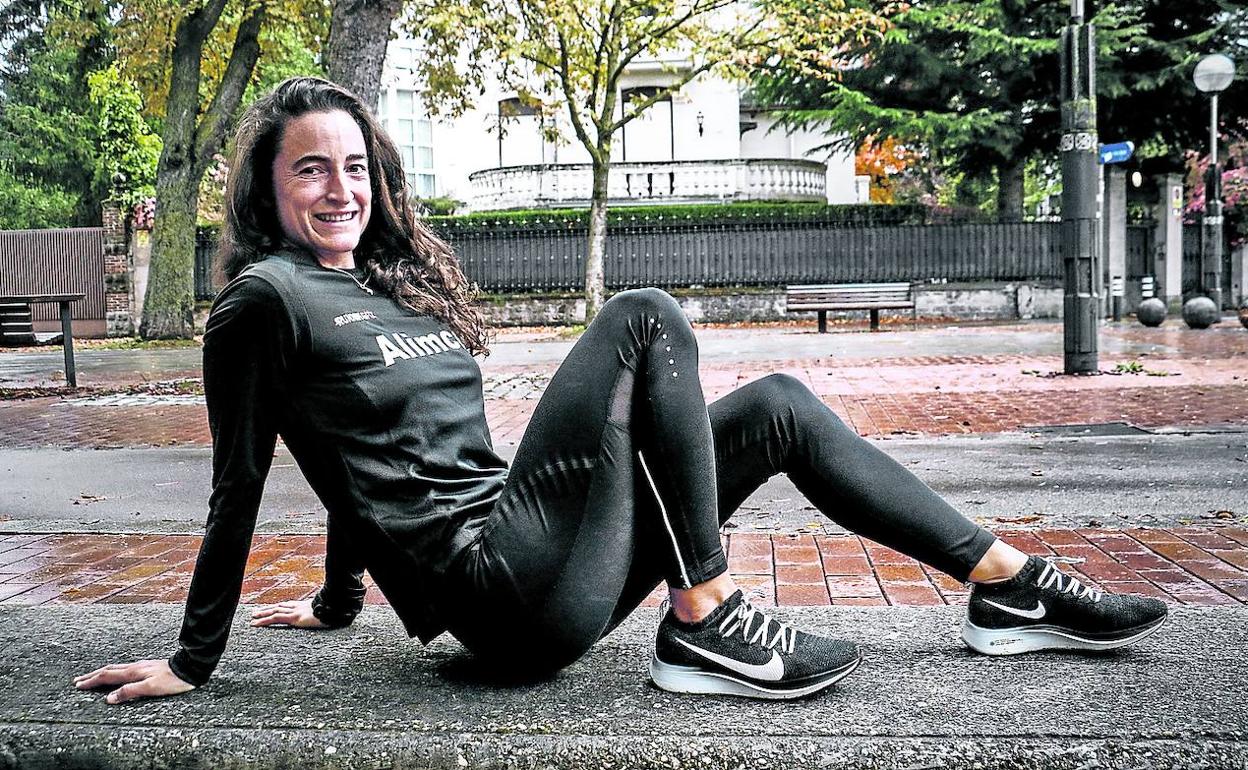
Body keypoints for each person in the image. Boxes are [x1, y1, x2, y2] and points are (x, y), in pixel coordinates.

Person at [73, 77, 1167, 705]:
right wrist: (192, 657)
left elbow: (361, 456)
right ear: (269, 184)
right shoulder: (261, 301)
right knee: (643, 313)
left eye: (355, 165)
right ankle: (707, 613)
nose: (340, 187)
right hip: (499, 587)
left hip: (546, 563)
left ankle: (1010, 583)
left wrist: (338, 600)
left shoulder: (388, 286)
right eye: (310, 167)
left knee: (779, 400)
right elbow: (249, 475)